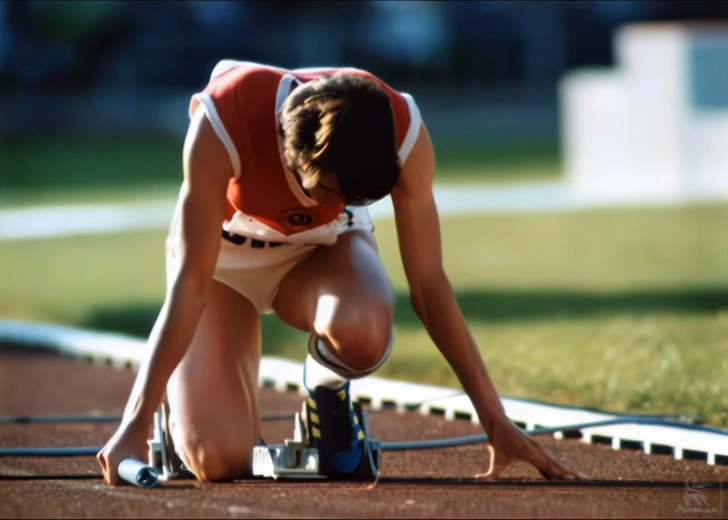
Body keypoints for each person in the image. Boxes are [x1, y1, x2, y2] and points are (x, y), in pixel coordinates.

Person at [96, 60, 583, 484]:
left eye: (360, 198)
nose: (344, 204)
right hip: (223, 267)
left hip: (319, 258)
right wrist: (132, 426)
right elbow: (190, 285)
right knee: (219, 460)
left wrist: (494, 419)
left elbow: (430, 286)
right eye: (333, 193)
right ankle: (170, 422)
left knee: (364, 327)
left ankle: (323, 392)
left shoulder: (402, 127)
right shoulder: (224, 118)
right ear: (297, 155)